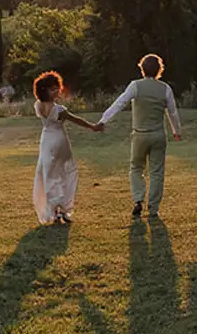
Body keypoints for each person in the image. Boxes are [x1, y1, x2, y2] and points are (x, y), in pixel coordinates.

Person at [100, 53, 183, 219]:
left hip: (139, 135)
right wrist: (176, 131)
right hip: (158, 135)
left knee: (136, 168)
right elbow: (172, 112)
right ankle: (153, 208)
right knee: (157, 172)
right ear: (159, 70)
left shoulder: (135, 86)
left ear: (142, 69)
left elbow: (120, 103)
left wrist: (103, 120)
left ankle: (138, 199)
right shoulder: (165, 88)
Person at [32, 71, 101, 225]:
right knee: (61, 174)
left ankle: (58, 210)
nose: (57, 91)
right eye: (52, 89)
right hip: (57, 140)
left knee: (51, 174)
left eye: (57, 88)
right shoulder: (58, 110)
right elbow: (76, 120)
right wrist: (92, 127)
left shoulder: (38, 105)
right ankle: (60, 209)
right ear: (45, 90)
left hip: (47, 140)